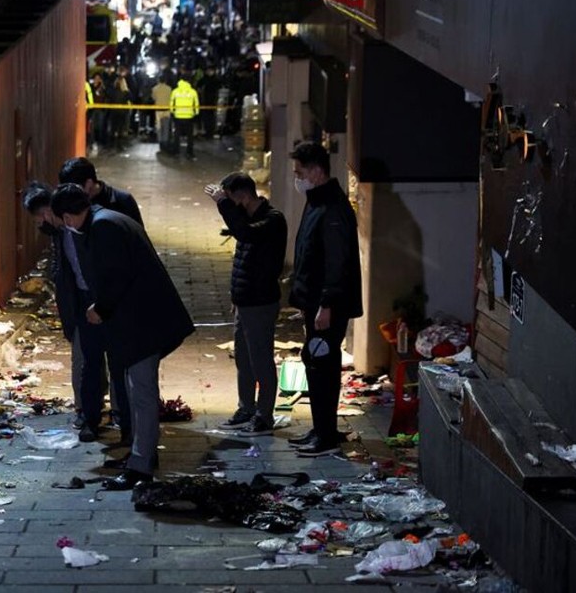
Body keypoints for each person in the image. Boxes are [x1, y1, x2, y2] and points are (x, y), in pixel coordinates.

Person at [50, 183, 195, 490]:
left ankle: (141, 467)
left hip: (141, 322)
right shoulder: (106, 219)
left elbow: (116, 275)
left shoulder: (104, 228)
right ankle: (140, 456)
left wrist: (99, 308)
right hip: (139, 320)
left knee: (141, 393)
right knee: (135, 389)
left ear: (67, 216)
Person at [58, 157, 143, 443]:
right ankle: (91, 418)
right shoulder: (67, 209)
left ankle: (127, 422)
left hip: (114, 298)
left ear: (91, 185)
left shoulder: (117, 206)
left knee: (120, 361)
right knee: (91, 362)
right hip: (84, 296)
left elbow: (133, 254)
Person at [287, 142, 363, 457]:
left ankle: (326, 437)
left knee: (323, 366)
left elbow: (337, 261)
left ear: (316, 171)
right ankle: (320, 429)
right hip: (315, 301)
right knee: (315, 363)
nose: (297, 178)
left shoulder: (332, 208)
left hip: (326, 306)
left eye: (300, 172)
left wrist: (327, 304)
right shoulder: (317, 201)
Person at [206, 173, 287, 436]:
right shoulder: (248, 218)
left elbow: (245, 234)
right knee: (244, 358)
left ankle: (264, 416)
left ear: (242, 196)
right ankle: (246, 408)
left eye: (231, 199)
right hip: (244, 300)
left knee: (261, 359)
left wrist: (222, 204)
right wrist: (235, 298)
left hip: (261, 301)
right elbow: (242, 261)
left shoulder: (272, 219)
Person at [22, 182, 85, 428]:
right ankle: (90, 408)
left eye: (38, 218)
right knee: (86, 359)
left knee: (83, 360)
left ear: (47, 213)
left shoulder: (69, 231)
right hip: (77, 304)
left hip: (82, 305)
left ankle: (86, 411)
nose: (38, 224)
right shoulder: (61, 233)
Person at [170, 76, 199, 159]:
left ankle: (176, 152)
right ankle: (189, 152)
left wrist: (172, 112)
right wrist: (196, 113)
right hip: (189, 116)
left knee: (177, 135)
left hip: (178, 115)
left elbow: (171, 102)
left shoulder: (175, 91)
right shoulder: (193, 91)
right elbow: (196, 104)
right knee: (190, 136)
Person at [151, 74, 173, 152]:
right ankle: (165, 141)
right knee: (166, 127)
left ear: (158, 80)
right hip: (167, 110)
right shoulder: (169, 89)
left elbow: (153, 98)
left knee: (159, 127)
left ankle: (160, 141)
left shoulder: (154, 88)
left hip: (158, 110)